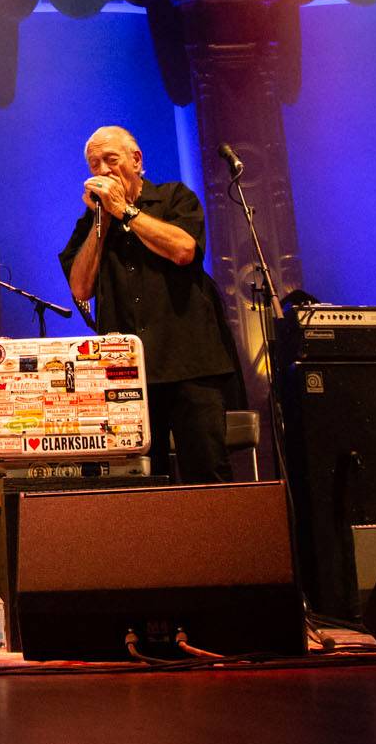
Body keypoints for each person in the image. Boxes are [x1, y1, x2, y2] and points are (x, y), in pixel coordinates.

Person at [59, 125, 244, 484]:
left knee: (206, 473)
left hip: (190, 365)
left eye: (110, 160)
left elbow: (183, 250)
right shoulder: (92, 221)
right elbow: (81, 288)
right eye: (94, 164)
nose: (102, 170)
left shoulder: (175, 197)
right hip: (127, 375)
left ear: (136, 160)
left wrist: (126, 212)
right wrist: (103, 220)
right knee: (139, 482)